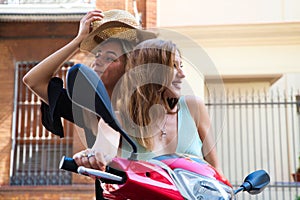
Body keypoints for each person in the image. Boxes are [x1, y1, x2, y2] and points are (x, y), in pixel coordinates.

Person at [73, 38, 222, 173]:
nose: (182, 74)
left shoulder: (193, 107)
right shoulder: (117, 120)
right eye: (173, 66)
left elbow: (215, 170)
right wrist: (92, 156)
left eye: (181, 65)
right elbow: (104, 152)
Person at [22, 9, 156, 147]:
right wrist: (78, 41)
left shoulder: (146, 105)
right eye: (97, 54)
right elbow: (33, 80)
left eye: (109, 58)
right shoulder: (85, 107)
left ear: (128, 68)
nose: (98, 61)